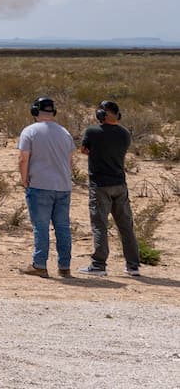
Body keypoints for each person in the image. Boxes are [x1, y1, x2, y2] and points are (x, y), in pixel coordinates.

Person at [80, 100, 141, 277]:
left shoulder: (92, 131)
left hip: (100, 185)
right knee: (126, 226)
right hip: (120, 185)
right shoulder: (124, 133)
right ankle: (133, 265)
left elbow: (84, 150)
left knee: (100, 224)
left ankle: (99, 264)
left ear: (102, 115)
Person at [18, 96, 76, 278]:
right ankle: (64, 266)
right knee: (62, 227)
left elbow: (23, 158)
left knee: (41, 226)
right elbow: (69, 161)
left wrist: (24, 178)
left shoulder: (30, 131)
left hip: (40, 185)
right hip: (63, 186)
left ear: (35, 112)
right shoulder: (64, 132)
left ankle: (39, 264)